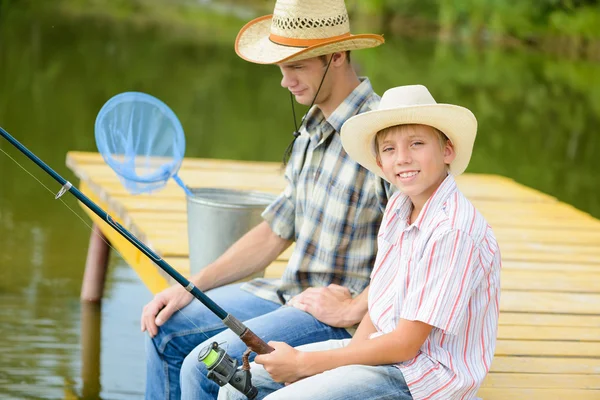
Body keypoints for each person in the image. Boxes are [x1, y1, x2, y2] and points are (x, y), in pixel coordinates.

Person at [140, 0, 390, 398]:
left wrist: (354, 309)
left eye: (296, 66)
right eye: (281, 67)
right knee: (165, 328)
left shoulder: (384, 135)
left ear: (338, 55)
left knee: (202, 367)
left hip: (339, 318)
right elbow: (276, 230)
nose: (284, 81)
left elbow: (419, 249)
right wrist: (190, 287)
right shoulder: (311, 129)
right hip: (286, 291)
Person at [218, 84, 502, 400]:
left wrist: (305, 364)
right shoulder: (400, 207)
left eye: (417, 144)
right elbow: (381, 304)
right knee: (236, 387)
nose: (403, 159)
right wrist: (337, 369)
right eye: (390, 149)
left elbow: (406, 344)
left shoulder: (452, 230)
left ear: (447, 150)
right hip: (388, 353)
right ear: (380, 163)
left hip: (426, 378)